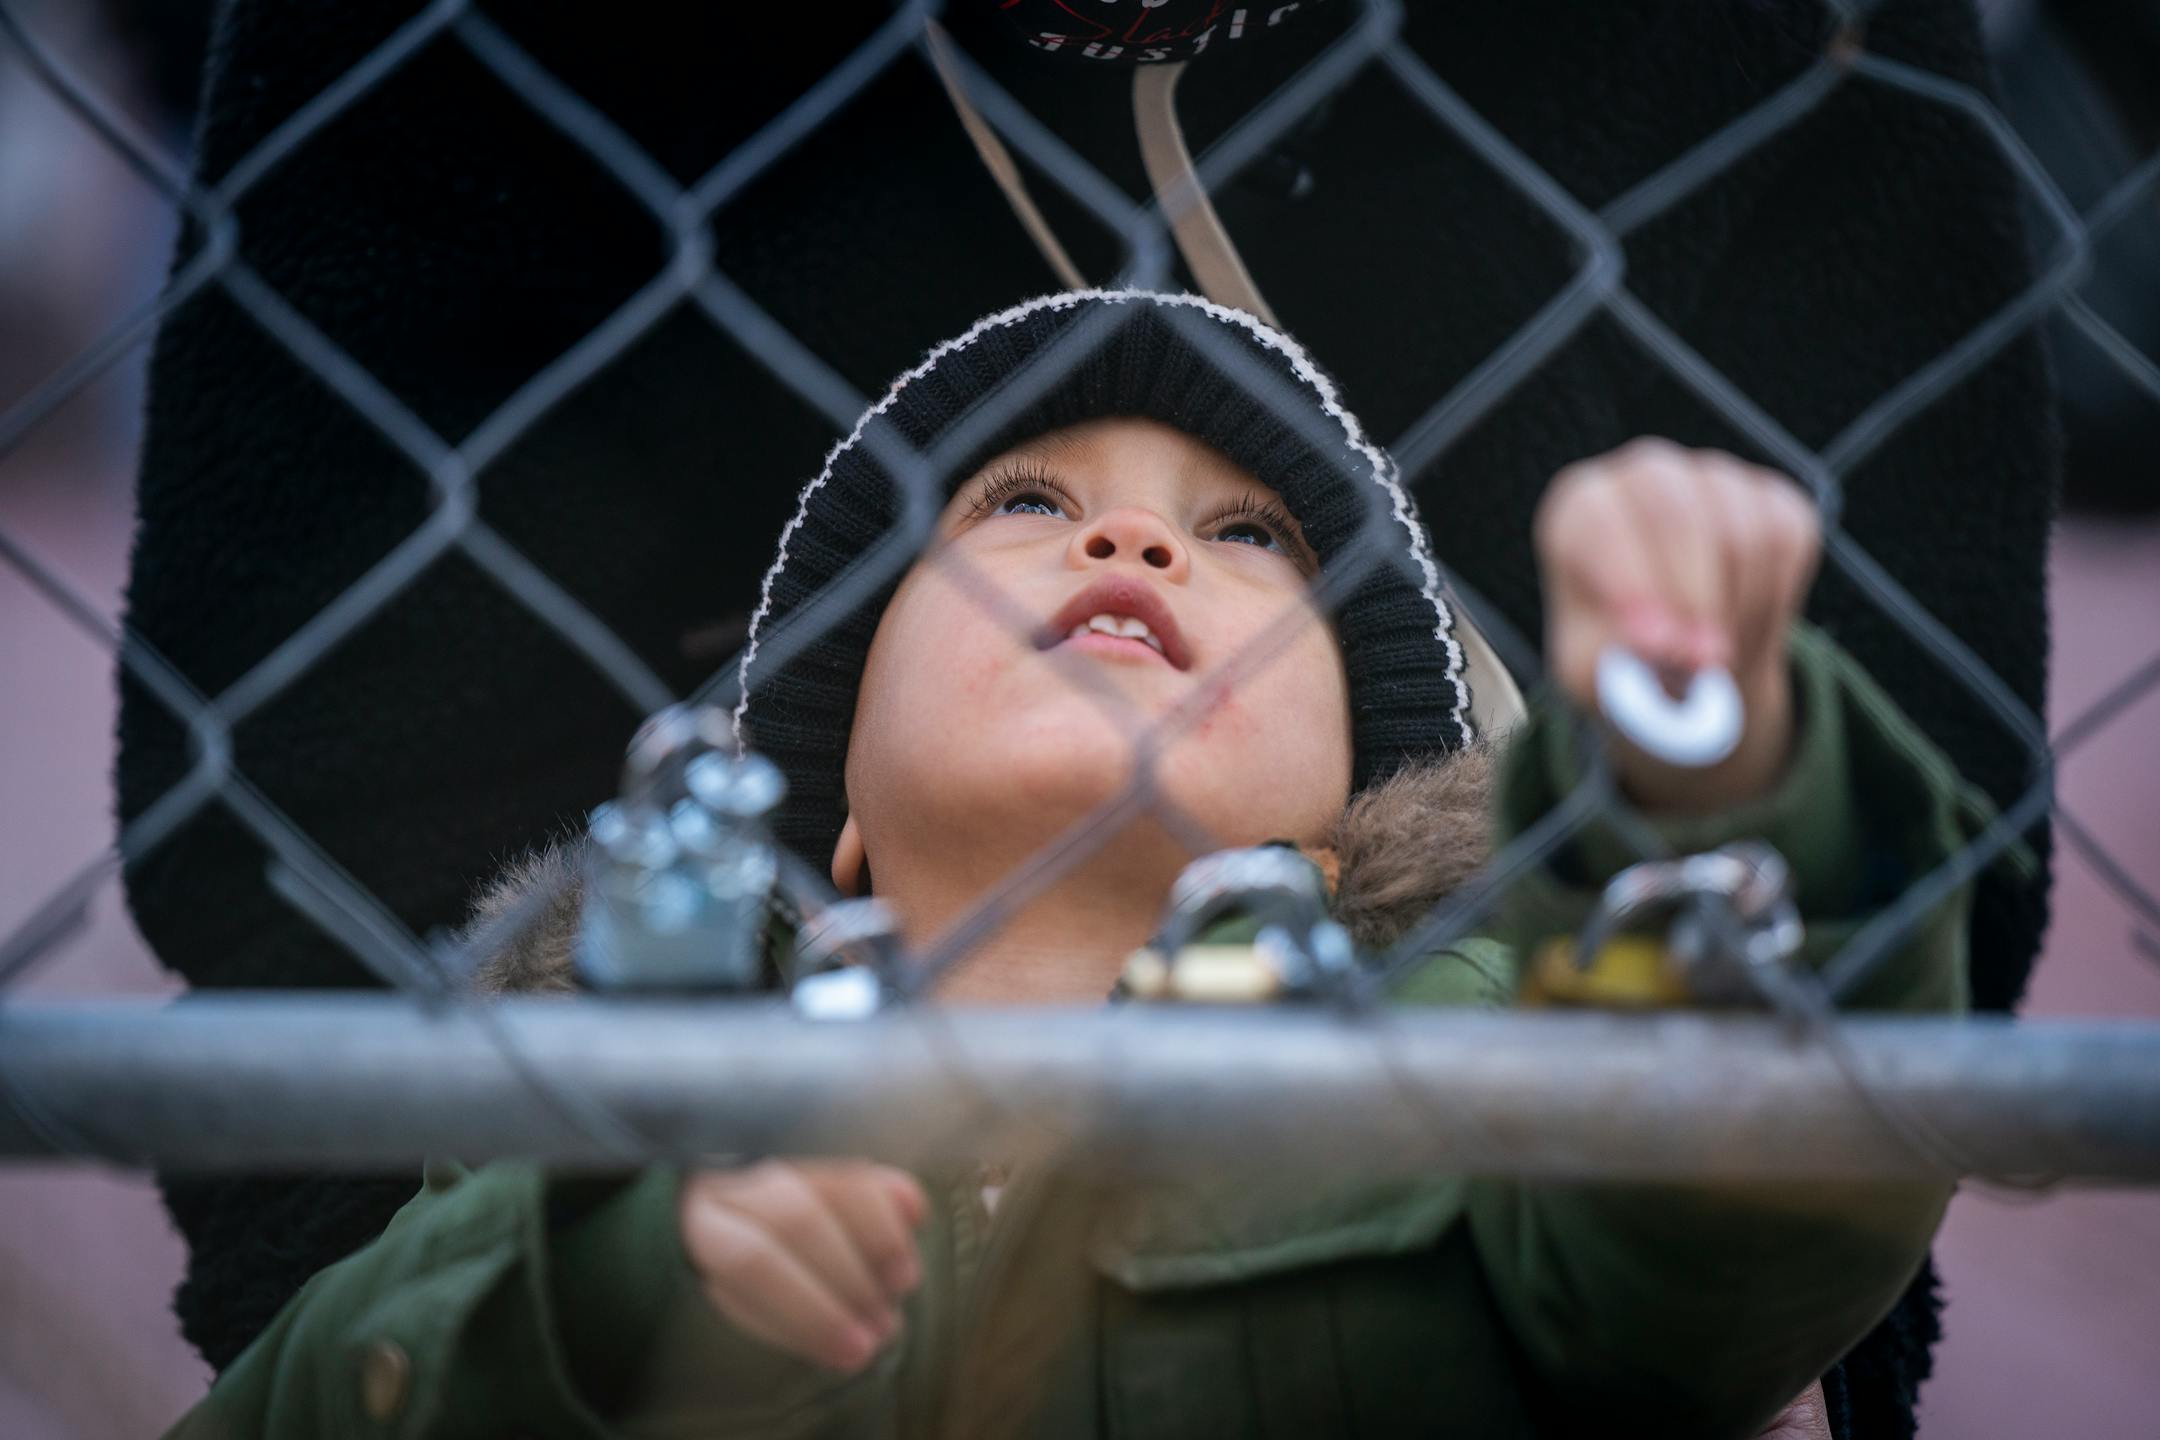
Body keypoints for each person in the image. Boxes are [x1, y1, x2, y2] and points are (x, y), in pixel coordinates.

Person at [160, 291, 2003, 1439]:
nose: (1128, 532)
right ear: (840, 812)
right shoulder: (574, 1143)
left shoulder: (1475, 1102)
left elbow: (1743, 1229)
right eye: (1020, 504)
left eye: (1252, 534)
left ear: (1341, 814)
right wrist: (603, 1282)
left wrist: (1715, 783)